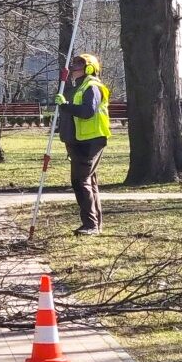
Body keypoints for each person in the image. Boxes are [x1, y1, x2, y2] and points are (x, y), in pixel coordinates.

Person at [56, 53, 110, 235]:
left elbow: (87, 111)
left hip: (90, 141)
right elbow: (69, 103)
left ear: (89, 68)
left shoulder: (92, 87)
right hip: (78, 140)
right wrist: (63, 84)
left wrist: (65, 105)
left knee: (80, 181)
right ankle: (94, 224)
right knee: (88, 181)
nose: (73, 70)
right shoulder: (78, 87)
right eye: (72, 66)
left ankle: (90, 225)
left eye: (77, 66)